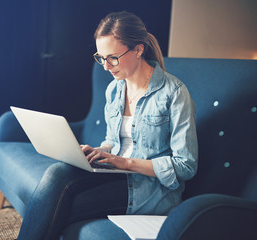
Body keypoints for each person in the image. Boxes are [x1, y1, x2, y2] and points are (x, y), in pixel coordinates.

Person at [17, 11, 198, 240]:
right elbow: (114, 142)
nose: (105, 66)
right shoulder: (114, 88)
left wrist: (125, 162)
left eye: (112, 57)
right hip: (115, 172)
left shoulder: (174, 93)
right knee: (56, 172)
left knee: (60, 207)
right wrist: (100, 152)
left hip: (148, 189)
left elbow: (186, 166)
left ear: (138, 49)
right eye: (100, 57)